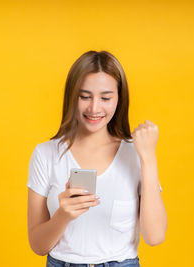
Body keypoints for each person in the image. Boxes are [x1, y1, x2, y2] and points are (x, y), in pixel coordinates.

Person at [27, 50, 167, 267]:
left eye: (105, 98)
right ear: (72, 96)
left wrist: (148, 158)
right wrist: (63, 215)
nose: (94, 108)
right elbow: (37, 245)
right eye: (85, 96)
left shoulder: (136, 153)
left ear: (119, 98)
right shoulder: (46, 154)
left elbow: (155, 236)